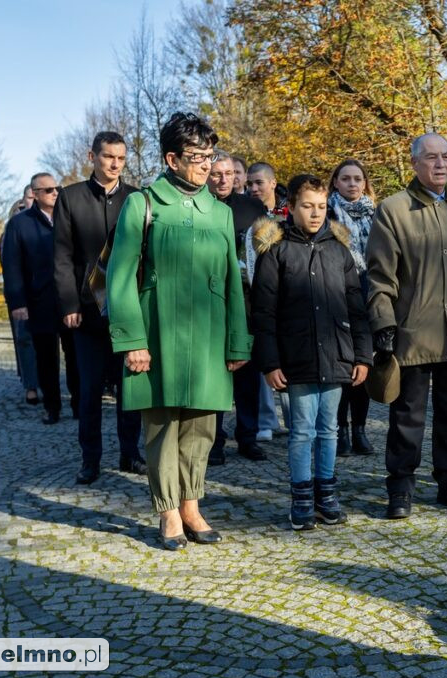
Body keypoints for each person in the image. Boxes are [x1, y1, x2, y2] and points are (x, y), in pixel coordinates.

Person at [107, 112, 251, 551]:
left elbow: (232, 281)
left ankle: (192, 503)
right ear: (171, 158)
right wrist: (133, 341)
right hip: (158, 335)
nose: (206, 165)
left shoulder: (221, 213)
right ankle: (168, 511)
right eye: (195, 157)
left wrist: (237, 339)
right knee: (163, 425)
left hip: (208, 338)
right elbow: (119, 277)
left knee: (204, 425)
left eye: (209, 156)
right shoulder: (143, 204)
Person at [367, 133, 447, 519]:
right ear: (414, 164)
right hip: (413, 332)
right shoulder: (393, 210)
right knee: (408, 415)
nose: (441, 164)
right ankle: (401, 486)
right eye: (431, 158)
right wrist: (383, 323)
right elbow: (379, 276)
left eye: (446, 158)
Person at [251, 174, 372, 530]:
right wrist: (270, 361)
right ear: (293, 207)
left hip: (336, 354)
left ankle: (326, 494)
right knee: (302, 430)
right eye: (308, 206)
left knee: (329, 429)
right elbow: (263, 313)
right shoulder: (276, 251)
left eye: (321, 206)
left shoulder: (338, 249)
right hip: (296, 357)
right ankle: (302, 498)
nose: (316, 213)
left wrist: (362, 356)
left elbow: (356, 307)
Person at [54, 131, 145, 485]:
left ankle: (130, 453)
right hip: (87, 313)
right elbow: (61, 256)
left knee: (130, 388)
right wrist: (69, 303)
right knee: (90, 390)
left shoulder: (136, 198)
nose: (114, 164)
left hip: (128, 312)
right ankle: (89, 459)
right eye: (108, 157)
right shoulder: (71, 197)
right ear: (92, 156)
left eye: (121, 158)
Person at [206, 151, 269, 464]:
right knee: (216, 375)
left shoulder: (253, 207)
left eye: (229, 174)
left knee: (248, 376)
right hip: (212, 304)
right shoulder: (200, 207)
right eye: (216, 174)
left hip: (246, 303)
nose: (223, 180)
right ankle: (214, 441)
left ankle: (248, 436)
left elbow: (266, 253)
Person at [2, 173, 66, 425]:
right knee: (46, 356)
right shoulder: (20, 224)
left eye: (57, 188)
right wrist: (17, 302)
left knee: (75, 353)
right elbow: (12, 265)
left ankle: (78, 403)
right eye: (49, 190)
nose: (55, 193)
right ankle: (52, 406)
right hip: (39, 301)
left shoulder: (67, 216)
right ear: (35, 194)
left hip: (69, 298)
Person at [328, 159, 377, 457]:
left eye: (357, 178)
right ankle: (341, 429)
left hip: (370, 297)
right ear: (335, 182)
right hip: (339, 297)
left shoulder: (377, 214)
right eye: (345, 178)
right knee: (343, 368)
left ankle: (360, 428)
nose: (352, 184)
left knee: (364, 366)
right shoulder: (328, 213)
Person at [246, 161, 291, 437]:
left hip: (288, 294)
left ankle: (293, 418)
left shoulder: (289, 211)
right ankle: (266, 420)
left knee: (289, 357)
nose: (253, 188)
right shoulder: (244, 213)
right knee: (263, 354)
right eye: (249, 184)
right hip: (256, 293)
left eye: (258, 183)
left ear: (273, 183)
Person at [1, 184, 40, 405]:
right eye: (30, 196)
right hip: (22, 294)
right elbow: (8, 264)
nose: (33, 200)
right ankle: (31, 385)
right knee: (25, 339)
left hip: (47, 293)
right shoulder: (14, 225)